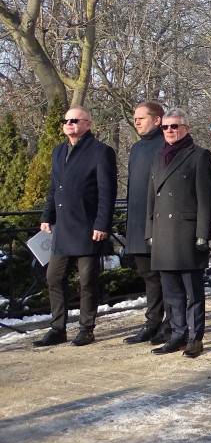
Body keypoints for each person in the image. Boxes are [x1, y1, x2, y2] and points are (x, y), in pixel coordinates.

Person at [34, 107, 117, 347]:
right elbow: (54, 187)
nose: (68, 124)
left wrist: (102, 223)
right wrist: (46, 215)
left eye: (74, 120)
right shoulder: (59, 150)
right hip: (62, 227)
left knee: (87, 281)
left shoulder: (101, 152)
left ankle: (86, 328)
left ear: (88, 124)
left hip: (88, 228)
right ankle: (57, 328)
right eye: (65, 120)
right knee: (54, 277)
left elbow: (107, 193)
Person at [146, 108, 211, 358]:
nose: (169, 131)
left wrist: (203, 234)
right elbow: (151, 197)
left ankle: (196, 337)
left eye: (174, 126)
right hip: (163, 233)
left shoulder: (200, 155)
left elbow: (207, 199)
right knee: (171, 292)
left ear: (186, 128)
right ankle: (177, 334)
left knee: (193, 292)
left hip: (187, 234)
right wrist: (149, 231)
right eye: (165, 127)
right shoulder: (158, 156)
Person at [122, 102, 171, 346]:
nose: (137, 122)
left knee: (165, 275)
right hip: (138, 222)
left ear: (158, 120)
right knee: (148, 274)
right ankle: (152, 322)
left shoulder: (166, 145)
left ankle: (172, 323)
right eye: (135, 118)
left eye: (142, 118)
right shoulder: (137, 148)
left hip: (160, 222)